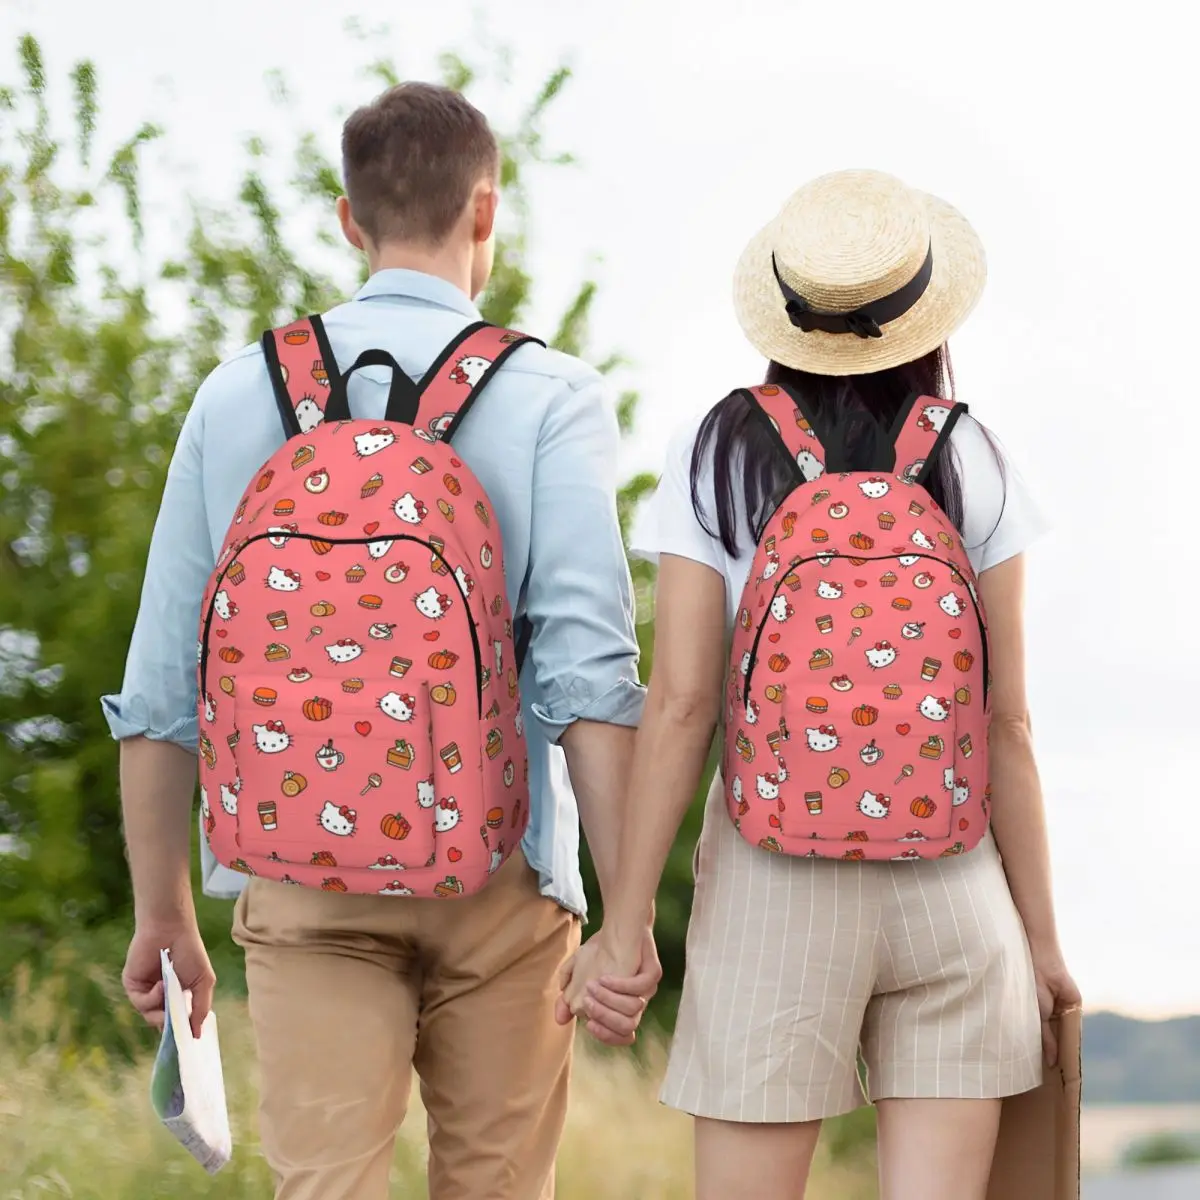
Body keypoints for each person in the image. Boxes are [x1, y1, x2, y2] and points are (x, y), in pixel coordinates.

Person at [104, 81, 660, 1200]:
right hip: (502, 875)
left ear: (349, 219)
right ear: (486, 213)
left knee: (325, 1187)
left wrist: (163, 913)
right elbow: (590, 679)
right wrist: (627, 915)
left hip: (298, 874)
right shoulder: (550, 395)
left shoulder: (235, 394)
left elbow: (163, 683)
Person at [560, 169, 1081, 1200]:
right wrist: (1042, 943)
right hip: (955, 883)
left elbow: (682, 706)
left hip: (773, 883)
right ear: (925, 315)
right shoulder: (973, 455)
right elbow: (1008, 723)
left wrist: (624, 928)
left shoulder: (717, 450)